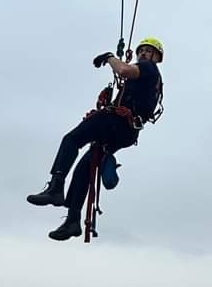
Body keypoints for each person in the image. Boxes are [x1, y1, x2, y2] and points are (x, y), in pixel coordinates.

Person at [26, 37, 164, 241]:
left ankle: (56, 186)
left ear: (156, 57)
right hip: (126, 131)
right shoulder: (148, 80)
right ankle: (72, 220)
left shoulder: (149, 69)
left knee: (72, 139)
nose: (143, 54)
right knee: (84, 169)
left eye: (148, 51)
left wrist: (109, 57)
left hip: (117, 121)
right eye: (141, 51)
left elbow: (124, 71)